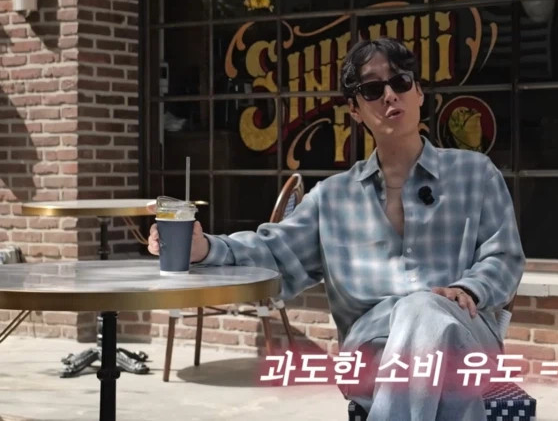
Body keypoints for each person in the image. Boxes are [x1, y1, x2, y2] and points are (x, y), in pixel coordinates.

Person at [147, 37, 525, 421]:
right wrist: (205, 248)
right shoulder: (333, 198)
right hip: (372, 354)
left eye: (401, 82)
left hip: (463, 336)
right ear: (355, 110)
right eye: (373, 89)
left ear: (419, 92)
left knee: (423, 309)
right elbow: (273, 253)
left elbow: (504, 257)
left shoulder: (475, 174)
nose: (390, 96)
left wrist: (470, 288)